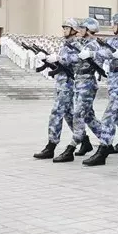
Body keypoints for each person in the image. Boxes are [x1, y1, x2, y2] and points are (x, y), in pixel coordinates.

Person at [83, 13, 118, 167]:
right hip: (114, 85)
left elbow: (108, 53)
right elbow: (103, 53)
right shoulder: (113, 40)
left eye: (115, 24)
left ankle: (103, 150)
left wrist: (93, 53)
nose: (112, 26)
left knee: (108, 117)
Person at [32, 19, 79, 161]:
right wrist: (47, 59)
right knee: (69, 115)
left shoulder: (76, 44)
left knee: (56, 113)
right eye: (64, 28)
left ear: (73, 30)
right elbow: (60, 66)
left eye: (67, 28)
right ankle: (85, 141)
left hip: (68, 85)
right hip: (61, 83)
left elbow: (74, 60)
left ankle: (51, 146)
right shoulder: (66, 44)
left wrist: (58, 58)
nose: (64, 30)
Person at [64, 18, 105, 161]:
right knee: (88, 116)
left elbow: (99, 63)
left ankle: (72, 146)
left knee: (78, 114)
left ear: (89, 30)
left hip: (87, 82)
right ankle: (105, 138)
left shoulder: (93, 45)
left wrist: (85, 57)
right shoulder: (84, 44)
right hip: (79, 81)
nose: (79, 30)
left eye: (83, 28)